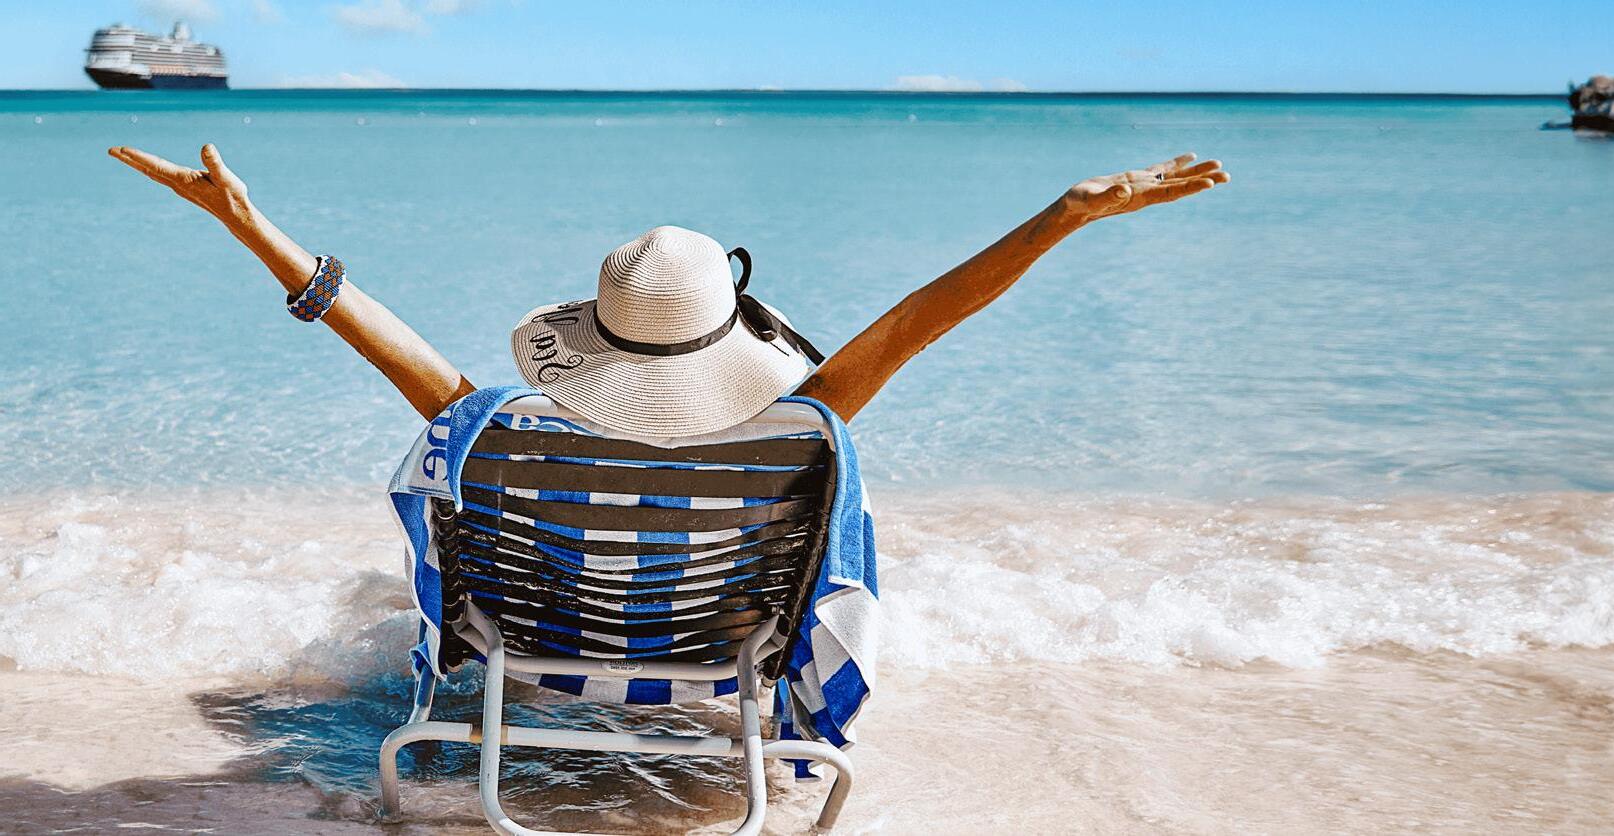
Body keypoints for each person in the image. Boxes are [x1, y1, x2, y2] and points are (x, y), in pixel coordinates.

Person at [106, 143, 1227, 429]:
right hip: (725, 643)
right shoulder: (795, 434)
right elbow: (916, 324)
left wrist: (249, 226)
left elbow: (364, 329)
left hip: (546, 642)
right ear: (731, 331)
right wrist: (1062, 217)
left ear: (594, 335)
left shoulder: (505, 436)